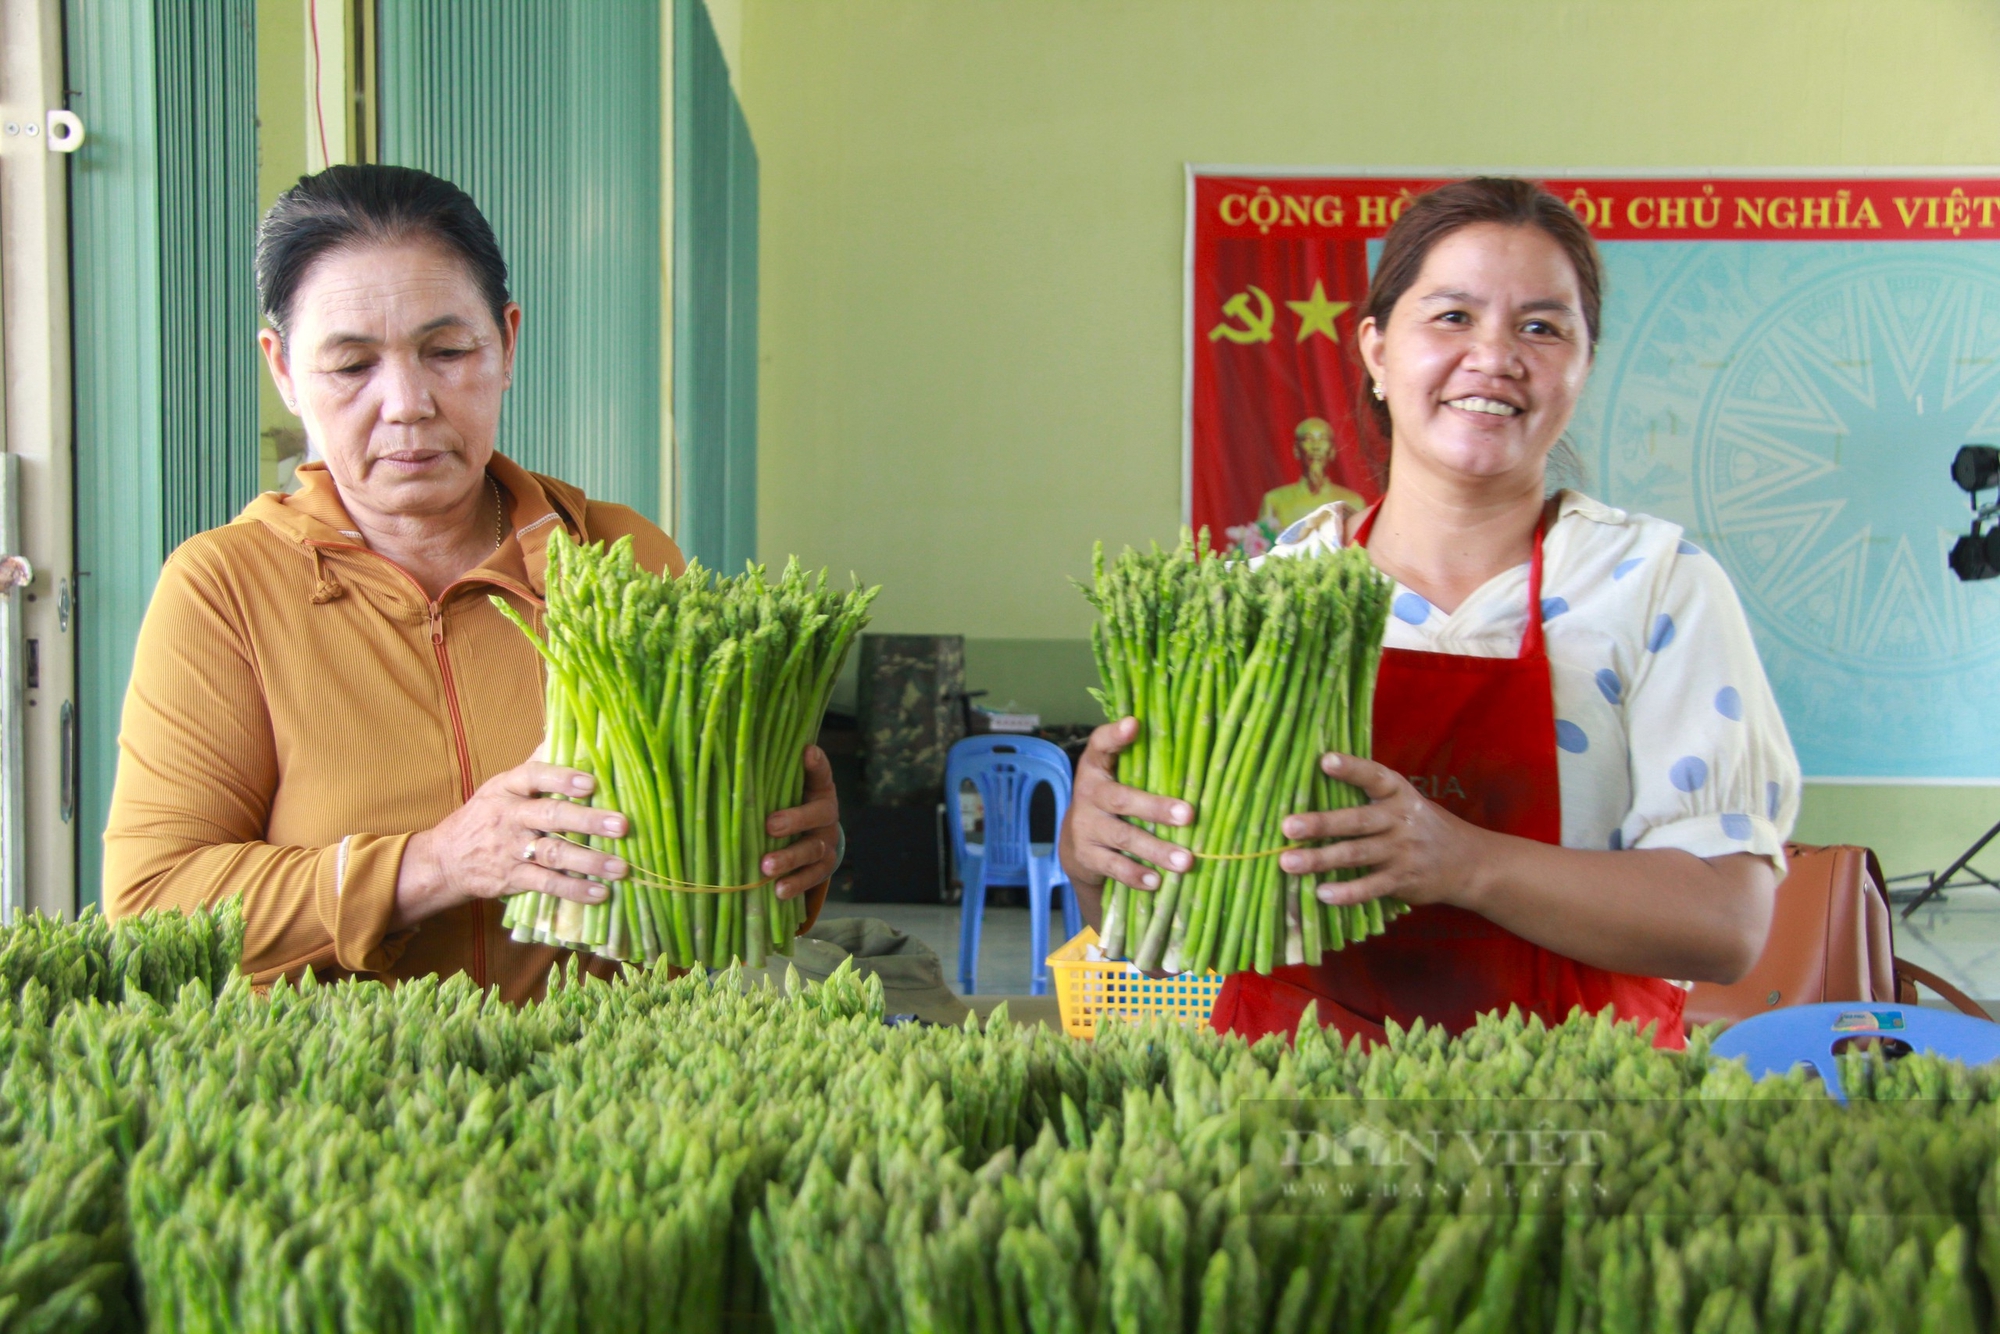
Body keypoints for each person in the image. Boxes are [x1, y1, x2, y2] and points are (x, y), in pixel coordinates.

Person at [1059, 177, 1798, 1048]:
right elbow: (1167, 939)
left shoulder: (1654, 582)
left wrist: (1464, 862)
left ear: (1583, 364)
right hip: (1287, 1102)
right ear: (1375, 349)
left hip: (1577, 1103)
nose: (1495, 355)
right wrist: (1096, 861)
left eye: (1542, 327)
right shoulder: (1267, 594)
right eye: (1452, 316)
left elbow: (1726, 923)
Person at [104, 165, 843, 998]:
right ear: (281, 368)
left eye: (447, 351)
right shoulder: (226, 588)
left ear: (508, 344)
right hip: (336, 1105)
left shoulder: (618, 555)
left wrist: (788, 853)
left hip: (620, 1094)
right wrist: (435, 863)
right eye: (351, 366)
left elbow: (701, 901)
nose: (408, 402)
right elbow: (152, 906)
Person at [1256, 416, 1364, 530]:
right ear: (1296, 450)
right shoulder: (1274, 501)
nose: (1316, 447)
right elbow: (1264, 543)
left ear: (1332, 451)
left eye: (1323, 439)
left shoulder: (1353, 502)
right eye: (1308, 439)